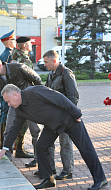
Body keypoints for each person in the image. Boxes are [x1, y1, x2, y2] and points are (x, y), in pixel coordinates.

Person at [0, 84, 108, 190]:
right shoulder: (19, 109)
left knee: (85, 148)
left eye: (8, 101)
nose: (8, 105)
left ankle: (100, 179)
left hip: (69, 119)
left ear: (15, 94)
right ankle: (48, 179)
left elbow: (59, 98)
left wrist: (76, 113)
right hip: (52, 126)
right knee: (41, 146)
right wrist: (5, 148)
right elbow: (15, 128)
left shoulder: (34, 91)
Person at [0, 56, 42, 159]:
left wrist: (36, 98)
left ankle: (38, 158)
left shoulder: (19, 68)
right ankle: (7, 157)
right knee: (8, 130)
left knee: (35, 131)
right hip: (14, 106)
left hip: (30, 103)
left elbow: (37, 79)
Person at [42, 50, 78, 180]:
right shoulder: (51, 74)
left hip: (64, 116)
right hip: (52, 116)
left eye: (46, 62)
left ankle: (67, 170)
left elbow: (73, 97)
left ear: (54, 60)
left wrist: (69, 115)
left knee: (65, 143)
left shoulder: (66, 73)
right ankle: (50, 168)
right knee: (48, 142)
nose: (44, 64)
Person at [9, 36, 41, 166]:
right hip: (26, 97)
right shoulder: (24, 59)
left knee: (17, 125)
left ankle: (16, 150)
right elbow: (32, 77)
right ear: (23, 46)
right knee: (35, 130)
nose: (31, 45)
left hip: (16, 97)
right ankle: (38, 157)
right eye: (29, 44)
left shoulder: (15, 57)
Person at [0, 30, 16, 150]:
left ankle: (4, 143)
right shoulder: (8, 55)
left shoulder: (5, 54)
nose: (15, 42)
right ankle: (4, 143)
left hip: (5, 89)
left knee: (4, 114)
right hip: (7, 89)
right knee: (5, 115)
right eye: (13, 40)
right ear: (9, 42)